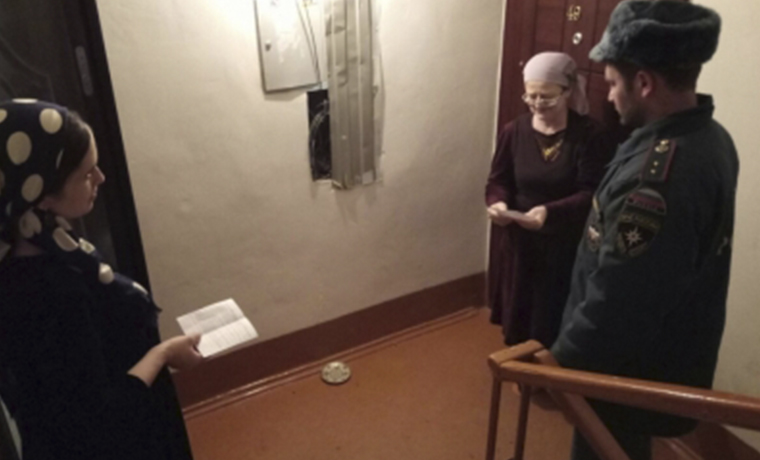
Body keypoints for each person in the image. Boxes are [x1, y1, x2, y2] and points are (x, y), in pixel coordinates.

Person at [550, 2, 738, 460]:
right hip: (658, 356)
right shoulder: (711, 137)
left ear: (645, 83)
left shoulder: (656, 181)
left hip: (621, 374)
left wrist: (557, 369)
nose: (610, 94)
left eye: (614, 83)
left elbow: (618, 305)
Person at [0, 100, 203, 460]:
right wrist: (163, 354)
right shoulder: (52, 292)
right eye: (86, 174)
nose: (101, 178)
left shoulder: (40, 241)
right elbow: (102, 421)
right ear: (41, 194)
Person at [486, 52, 613, 349]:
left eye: (547, 97)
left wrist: (548, 212)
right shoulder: (514, 130)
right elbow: (498, 181)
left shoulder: (590, 135)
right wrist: (499, 204)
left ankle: (549, 365)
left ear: (568, 92)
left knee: (553, 314)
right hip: (520, 240)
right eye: (531, 96)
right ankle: (519, 364)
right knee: (519, 314)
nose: (537, 104)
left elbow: (592, 193)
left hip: (563, 241)